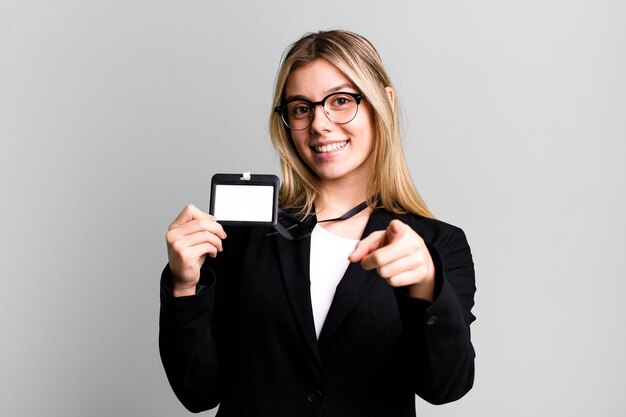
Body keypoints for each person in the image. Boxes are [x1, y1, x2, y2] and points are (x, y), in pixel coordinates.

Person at [160, 30, 476, 417]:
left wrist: (426, 287)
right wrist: (183, 286)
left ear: (384, 103)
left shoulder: (438, 245)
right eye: (301, 108)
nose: (320, 124)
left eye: (341, 101)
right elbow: (198, 391)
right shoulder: (242, 236)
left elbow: (446, 386)